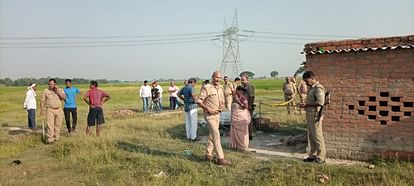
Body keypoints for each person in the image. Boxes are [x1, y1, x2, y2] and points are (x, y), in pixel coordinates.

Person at [197, 71, 230, 166]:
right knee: (216, 134)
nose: (218, 79)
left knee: (212, 135)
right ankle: (221, 158)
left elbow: (222, 100)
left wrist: (221, 105)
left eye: (219, 78)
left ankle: (208, 154)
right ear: (212, 77)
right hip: (209, 115)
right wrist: (208, 109)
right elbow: (199, 101)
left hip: (217, 115)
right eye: (216, 77)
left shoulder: (221, 88)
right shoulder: (206, 87)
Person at [299, 71, 326, 164]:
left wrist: (306, 104)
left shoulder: (318, 88)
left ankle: (321, 157)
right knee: (311, 137)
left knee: (317, 137)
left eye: (307, 81)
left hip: (315, 115)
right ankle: (312, 155)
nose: (306, 83)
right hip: (310, 115)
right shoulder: (312, 88)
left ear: (312, 78)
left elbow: (320, 102)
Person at [40, 79, 66, 143]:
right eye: (49, 84)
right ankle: (50, 138)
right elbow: (42, 100)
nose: (50, 85)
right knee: (50, 124)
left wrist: (57, 91)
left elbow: (64, 98)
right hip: (50, 109)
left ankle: (56, 137)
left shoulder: (60, 90)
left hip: (59, 109)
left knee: (58, 124)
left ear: (55, 84)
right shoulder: (46, 91)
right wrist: (42, 109)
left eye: (51, 84)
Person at [229, 86, 251, 151]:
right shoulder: (234, 97)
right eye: (239, 91)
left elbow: (246, 107)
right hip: (235, 117)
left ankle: (242, 146)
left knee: (241, 133)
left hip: (241, 118)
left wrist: (238, 101)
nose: (240, 92)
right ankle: (235, 145)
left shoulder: (243, 98)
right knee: (235, 132)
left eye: (241, 91)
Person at [241, 75, 255, 140]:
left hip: (249, 107)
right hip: (244, 106)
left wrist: (249, 106)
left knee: (249, 121)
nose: (242, 81)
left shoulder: (250, 87)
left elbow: (252, 97)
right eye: (241, 80)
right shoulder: (243, 87)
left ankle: (250, 135)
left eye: (243, 80)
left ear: (247, 80)